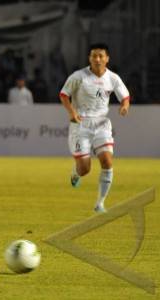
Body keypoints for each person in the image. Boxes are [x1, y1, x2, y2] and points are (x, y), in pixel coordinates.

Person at [59, 43, 130, 213]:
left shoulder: (113, 78)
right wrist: (72, 112)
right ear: (89, 58)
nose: (97, 59)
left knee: (107, 161)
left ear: (107, 58)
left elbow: (125, 96)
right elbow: (64, 94)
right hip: (81, 125)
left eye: (100, 56)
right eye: (93, 56)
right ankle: (76, 173)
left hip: (102, 124)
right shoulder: (78, 76)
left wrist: (124, 106)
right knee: (85, 169)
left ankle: (100, 204)